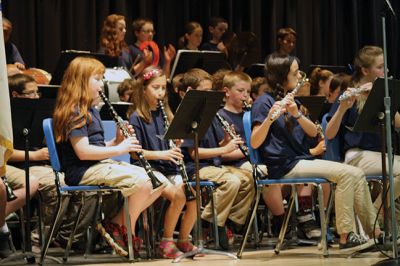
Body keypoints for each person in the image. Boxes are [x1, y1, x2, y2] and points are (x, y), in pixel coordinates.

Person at [251, 52, 381, 252]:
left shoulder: (292, 100)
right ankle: (345, 236)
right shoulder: (264, 102)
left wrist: (296, 115)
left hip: (299, 160)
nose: (298, 77)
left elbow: (314, 131)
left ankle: (375, 233)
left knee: (357, 173)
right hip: (283, 165)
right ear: (282, 75)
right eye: (295, 73)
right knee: (347, 174)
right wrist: (269, 118)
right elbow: (255, 141)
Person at [52, 56, 164, 256]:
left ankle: (116, 224)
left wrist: (117, 142)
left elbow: (97, 146)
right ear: (80, 82)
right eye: (97, 78)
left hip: (96, 165)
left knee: (159, 182)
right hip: (81, 171)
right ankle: (121, 229)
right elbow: (83, 152)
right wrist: (121, 149)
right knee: (144, 183)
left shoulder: (91, 109)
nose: (102, 83)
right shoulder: (74, 111)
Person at [325, 45, 400, 228]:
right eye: (380, 67)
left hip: (381, 154)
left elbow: (397, 124)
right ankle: (376, 213)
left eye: (386, 66)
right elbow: (329, 133)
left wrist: (387, 101)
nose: (386, 70)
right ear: (365, 70)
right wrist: (343, 107)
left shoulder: (383, 93)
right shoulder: (350, 94)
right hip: (357, 155)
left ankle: (375, 211)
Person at [179, 70, 253, 250]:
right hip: (196, 168)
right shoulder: (191, 114)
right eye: (206, 91)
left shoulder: (209, 113)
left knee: (249, 179)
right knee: (232, 181)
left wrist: (225, 141)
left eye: (211, 91)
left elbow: (213, 145)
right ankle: (213, 223)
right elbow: (194, 154)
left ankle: (223, 221)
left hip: (213, 165)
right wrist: (224, 149)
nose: (210, 96)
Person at [128, 67, 198, 259]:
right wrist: (164, 153)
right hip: (149, 168)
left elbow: (172, 144)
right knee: (178, 196)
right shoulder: (136, 117)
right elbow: (135, 154)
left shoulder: (166, 113)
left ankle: (183, 239)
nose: (160, 92)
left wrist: (177, 142)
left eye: (163, 88)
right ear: (143, 89)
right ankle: (166, 241)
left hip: (168, 167)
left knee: (194, 194)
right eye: (155, 87)